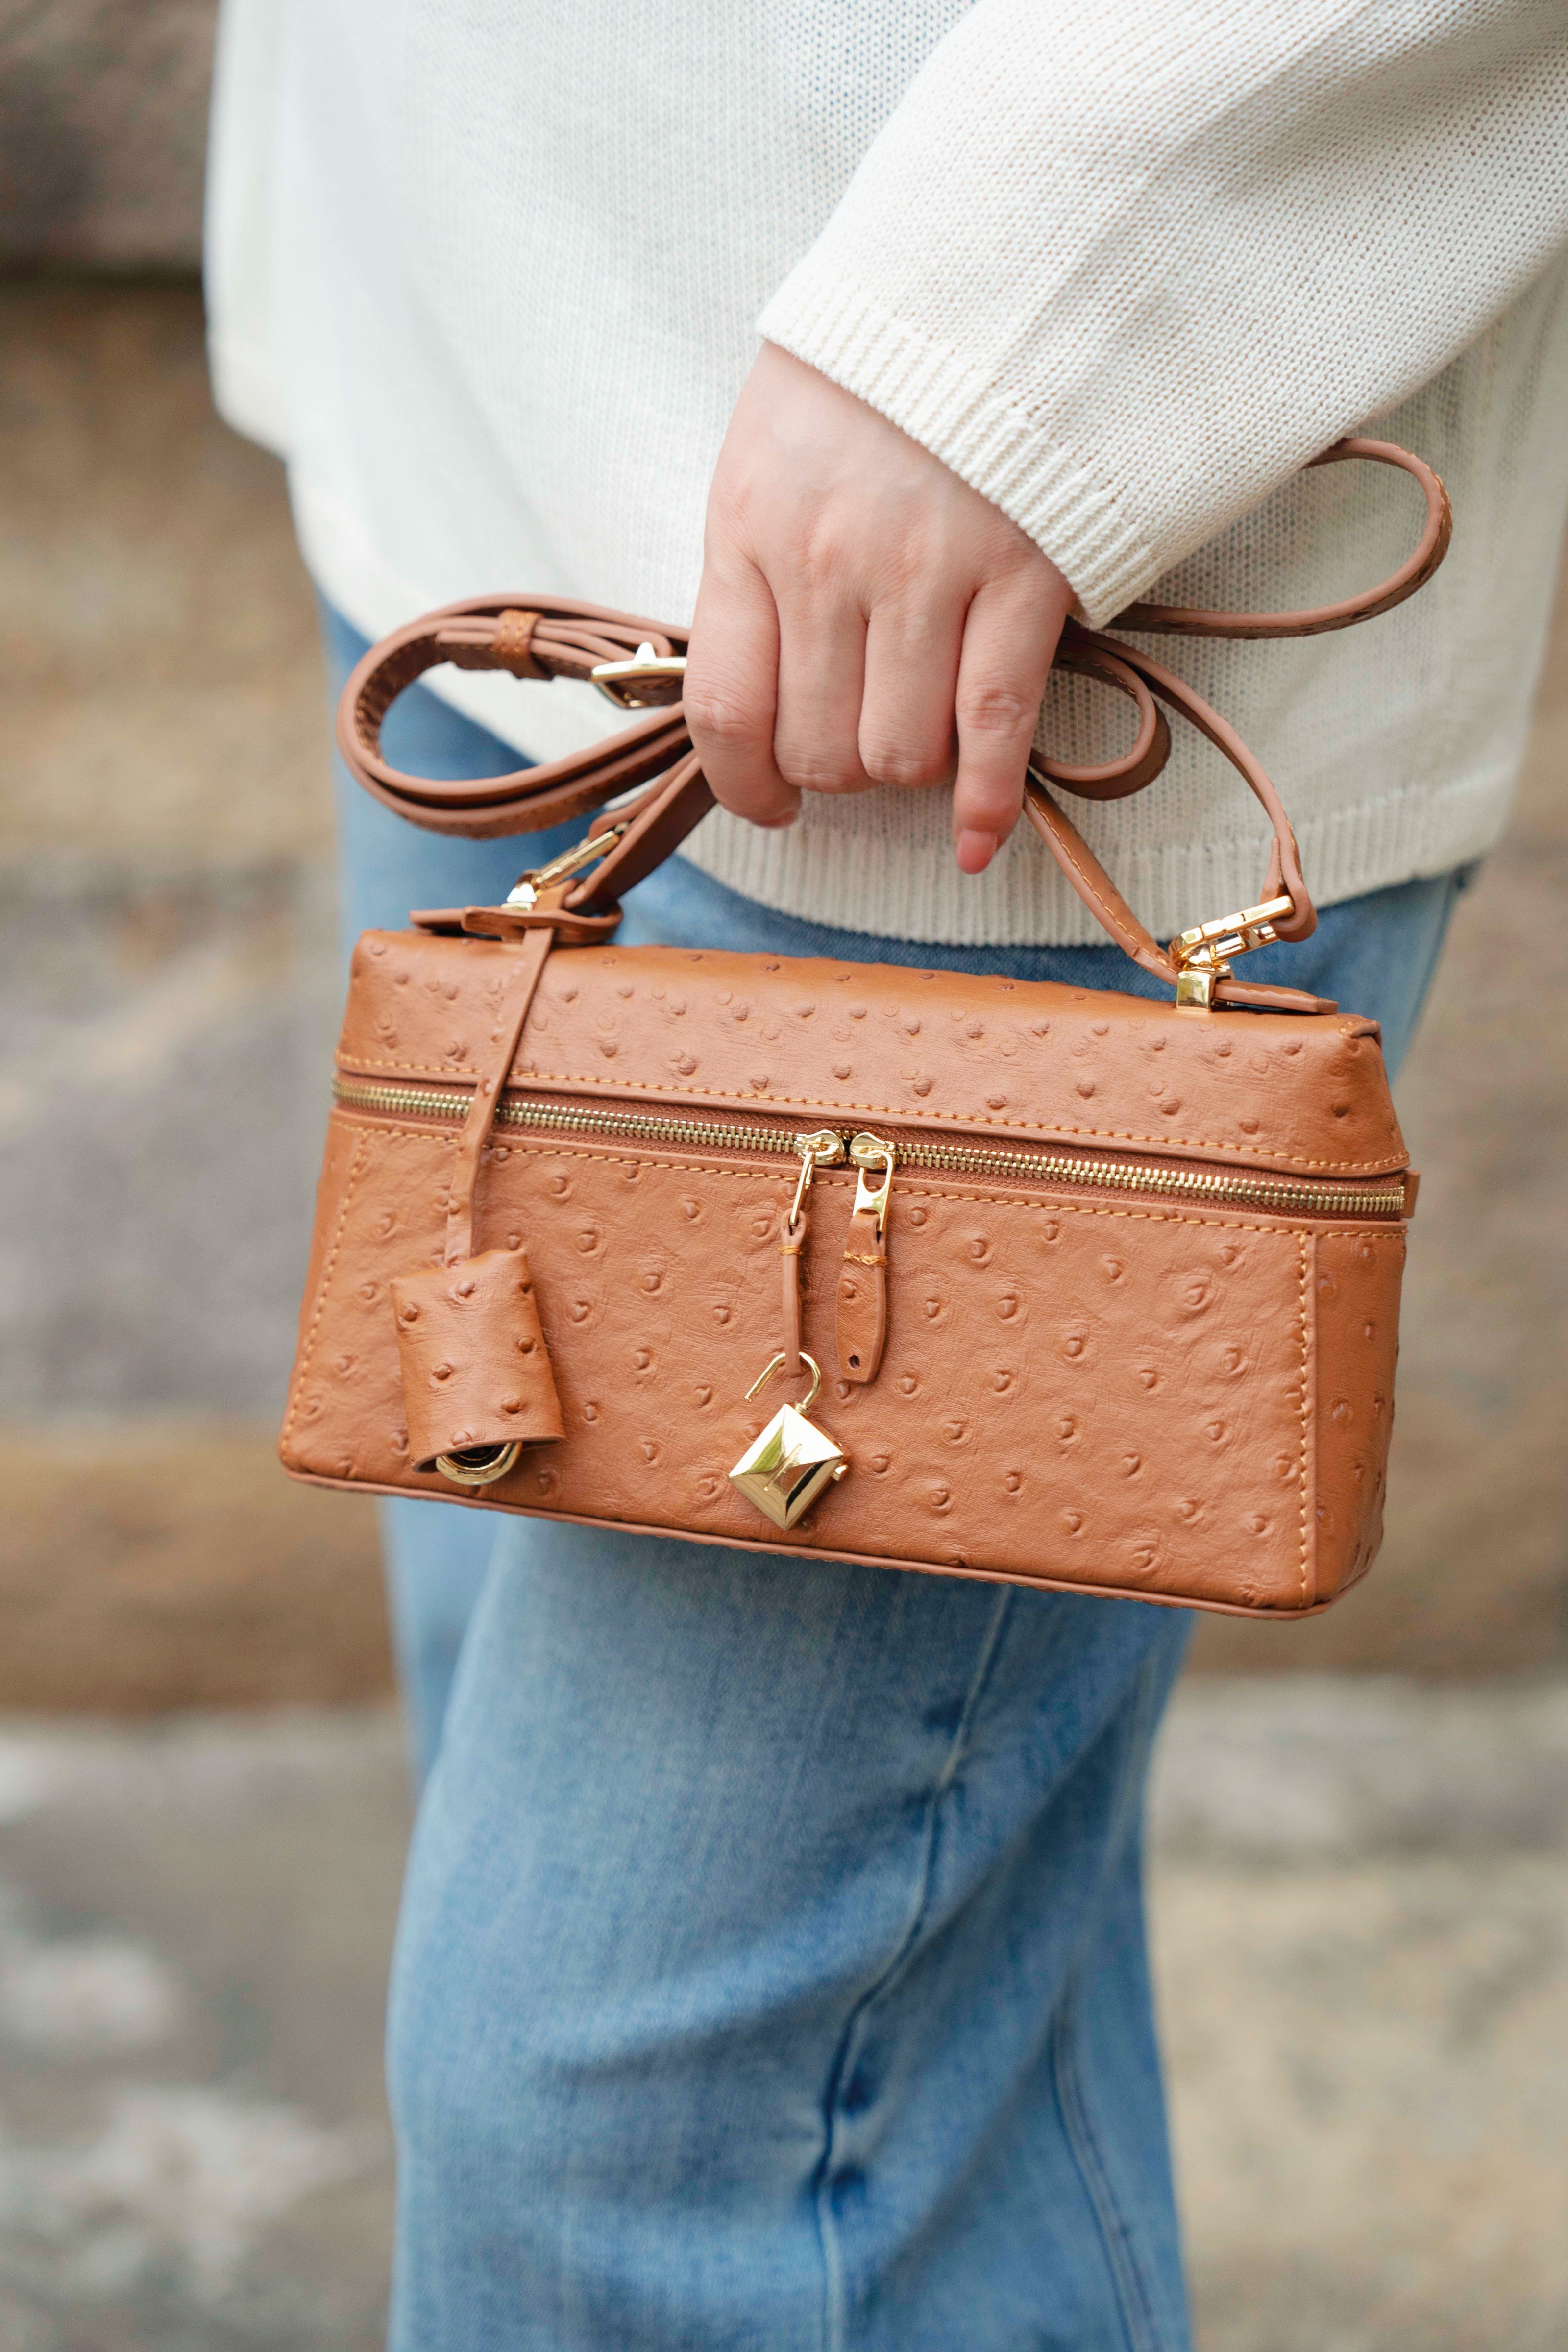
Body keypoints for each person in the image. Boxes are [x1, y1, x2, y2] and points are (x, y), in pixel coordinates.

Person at [206, 5, 1568, 2345]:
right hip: (488, 462)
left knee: (648, 2126)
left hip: (985, 535)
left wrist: (1005, 326)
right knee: (836, 2005)